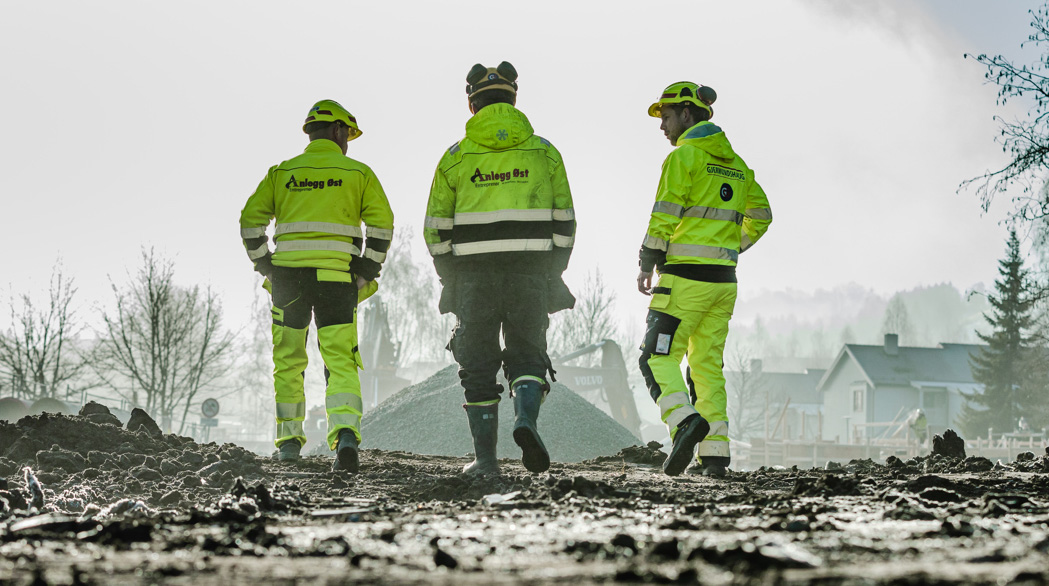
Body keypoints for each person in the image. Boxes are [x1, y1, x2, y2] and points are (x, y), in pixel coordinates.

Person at [424, 62, 576, 476]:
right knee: (528, 353)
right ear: (514, 99)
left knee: (477, 362)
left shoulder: (455, 158)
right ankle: (525, 419)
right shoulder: (544, 152)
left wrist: (450, 276)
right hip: (530, 273)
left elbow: (435, 229)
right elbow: (565, 221)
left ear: (471, 104)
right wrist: (552, 270)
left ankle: (487, 461)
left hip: (474, 277)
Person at [240, 99, 395, 472]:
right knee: (340, 359)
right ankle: (344, 435)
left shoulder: (282, 173)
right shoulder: (358, 174)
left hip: (288, 280)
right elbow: (383, 226)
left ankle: (289, 443)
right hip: (337, 280)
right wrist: (366, 270)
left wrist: (266, 265)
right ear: (339, 131)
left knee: (288, 360)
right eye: (348, 136)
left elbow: (249, 223)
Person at [636, 82, 772, 477]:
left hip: (684, 282)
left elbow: (664, 214)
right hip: (723, 283)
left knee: (655, 357)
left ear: (687, 114)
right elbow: (762, 215)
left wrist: (647, 261)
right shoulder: (737, 166)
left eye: (665, 117)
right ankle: (714, 456)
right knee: (707, 367)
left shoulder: (685, 158)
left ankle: (684, 424)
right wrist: (729, 246)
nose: (662, 126)